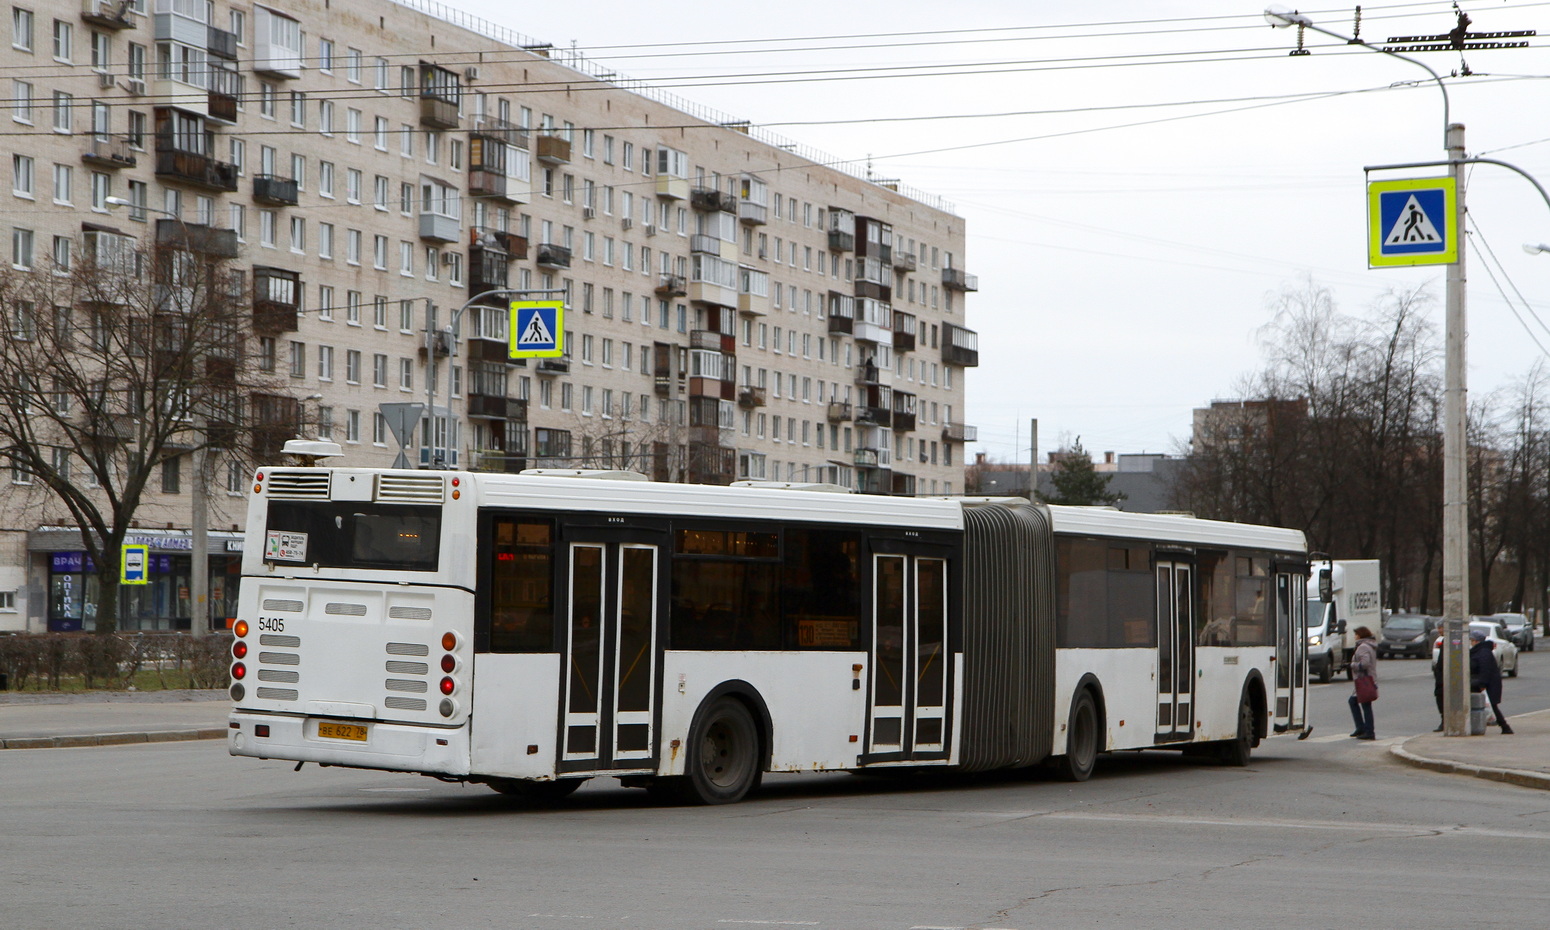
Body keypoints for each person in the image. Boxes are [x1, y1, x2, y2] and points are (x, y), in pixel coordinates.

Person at [1469, 628, 1514, 735]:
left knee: (1491, 705)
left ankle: (1504, 726)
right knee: (1490, 705)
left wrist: (1482, 684)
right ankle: (1504, 726)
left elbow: (1485, 669)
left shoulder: (1483, 652)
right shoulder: (1481, 651)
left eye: (1472, 640)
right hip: (1484, 682)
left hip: (1487, 684)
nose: (1471, 642)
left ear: (1476, 641)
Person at [1347, 625, 1378, 740]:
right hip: (1367, 680)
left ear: (1360, 635)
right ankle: (1363, 728)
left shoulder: (1363, 647)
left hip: (1364, 680)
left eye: (1355, 634)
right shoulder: (1369, 645)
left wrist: (1352, 665)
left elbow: (1365, 663)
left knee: (1362, 704)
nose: (1354, 636)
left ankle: (1368, 731)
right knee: (1360, 703)